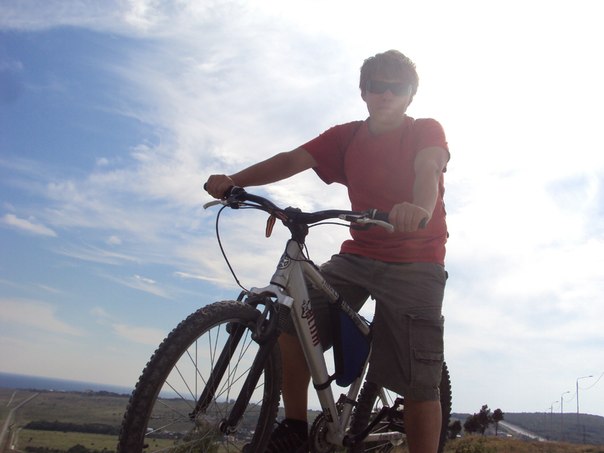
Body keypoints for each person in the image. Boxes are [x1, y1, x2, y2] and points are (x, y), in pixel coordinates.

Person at [205, 49, 449, 453]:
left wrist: (419, 209)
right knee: (291, 318)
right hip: (358, 255)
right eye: (377, 86)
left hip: (416, 262)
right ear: (363, 91)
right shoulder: (346, 137)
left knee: (419, 380)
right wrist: (235, 181)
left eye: (398, 87)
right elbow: (292, 159)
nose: (386, 94)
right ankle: (294, 428)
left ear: (411, 94)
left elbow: (429, 169)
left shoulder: (425, 130)